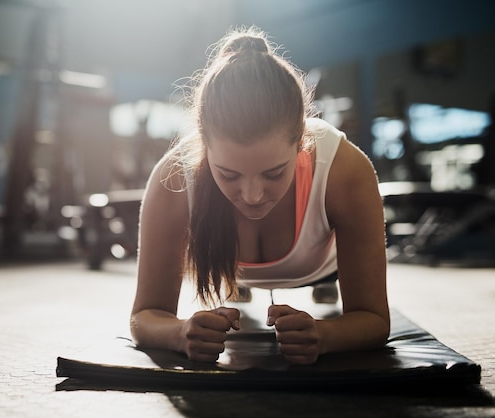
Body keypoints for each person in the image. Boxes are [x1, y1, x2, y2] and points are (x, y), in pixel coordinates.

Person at [130, 26, 389, 365]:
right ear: (205, 147)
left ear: (301, 142)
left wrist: (325, 335)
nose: (252, 196)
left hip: (326, 268)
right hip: (232, 273)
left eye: (273, 173)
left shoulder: (344, 170)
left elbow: (374, 319)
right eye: (228, 174)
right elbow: (145, 315)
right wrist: (180, 333)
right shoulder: (174, 179)